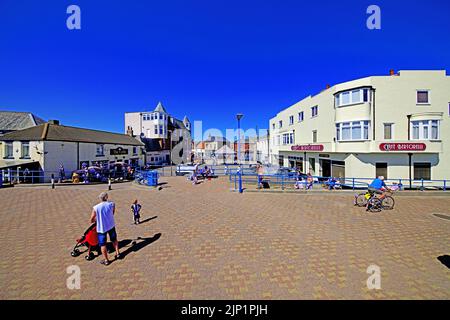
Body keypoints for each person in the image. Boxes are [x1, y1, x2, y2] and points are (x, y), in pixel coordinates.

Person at [90, 192, 121, 266]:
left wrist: (96, 220)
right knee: (114, 239)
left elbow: (91, 219)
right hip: (111, 225)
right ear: (106, 197)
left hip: (101, 228)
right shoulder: (112, 204)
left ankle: (106, 260)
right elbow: (112, 213)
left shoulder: (96, 207)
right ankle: (118, 253)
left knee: (103, 244)